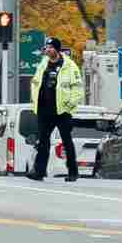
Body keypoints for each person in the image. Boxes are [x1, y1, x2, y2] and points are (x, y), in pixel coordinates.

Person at [27, 36, 84, 182]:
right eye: (47, 47)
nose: (48, 49)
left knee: (66, 141)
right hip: (44, 110)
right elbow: (35, 83)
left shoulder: (70, 66)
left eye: (51, 47)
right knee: (43, 141)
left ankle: (73, 172)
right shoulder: (43, 64)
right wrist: (35, 101)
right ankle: (38, 172)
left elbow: (78, 90)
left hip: (62, 111)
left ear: (57, 49)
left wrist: (69, 106)